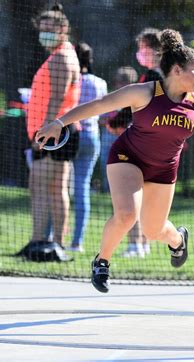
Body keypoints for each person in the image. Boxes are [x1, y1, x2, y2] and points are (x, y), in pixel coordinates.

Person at [35, 29, 194, 292]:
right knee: (127, 214)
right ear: (177, 70)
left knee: (153, 230)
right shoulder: (145, 92)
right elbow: (100, 105)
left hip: (163, 169)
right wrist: (59, 122)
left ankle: (178, 240)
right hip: (127, 158)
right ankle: (102, 262)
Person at [17, 4, 80, 262]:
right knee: (52, 187)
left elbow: (57, 98)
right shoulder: (58, 55)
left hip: (57, 133)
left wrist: (44, 134)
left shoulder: (63, 58)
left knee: (43, 186)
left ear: (63, 29)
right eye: (41, 29)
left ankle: (45, 243)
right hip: (57, 131)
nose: (44, 34)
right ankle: (47, 243)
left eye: (49, 29)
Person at [120, 27, 163, 258]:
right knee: (147, 195)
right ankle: (144, 244)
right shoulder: (170, 77)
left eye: (143, 48)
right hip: (158, 145)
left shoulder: (153, 78)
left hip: (143, 143)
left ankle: (135, 244)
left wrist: (117, 119)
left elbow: (134, 106)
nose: (140, 53)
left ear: (156, 50)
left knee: (131, 194)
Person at [69, 42, 108, 253]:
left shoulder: (70, 81)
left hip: (70, 138)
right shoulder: (99, 83)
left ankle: (53, 236)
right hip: (92, 137)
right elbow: (104, 113)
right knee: (82, 188)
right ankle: (77, 242)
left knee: (61, 188)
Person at [99, 66, 138, 193]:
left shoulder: (136, 98)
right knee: (107, 162)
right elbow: (101, 119)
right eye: (117, 81)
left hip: (127, 138)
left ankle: (126, 190)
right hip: (109, 137)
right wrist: (109, 121)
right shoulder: (112, 97)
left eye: (121, 81)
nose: (117, 84)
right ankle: (108, 189)